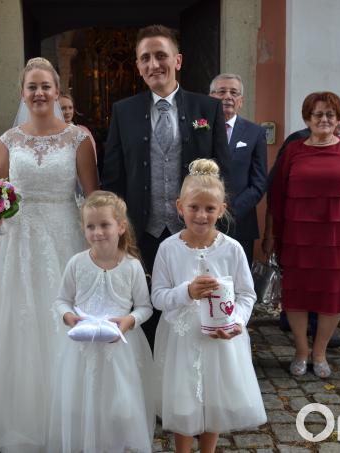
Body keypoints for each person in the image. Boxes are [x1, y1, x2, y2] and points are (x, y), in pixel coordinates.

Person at [0, 57, 98, 453]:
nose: (38, 93)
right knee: (10, 318)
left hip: (64, 234)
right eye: (31, 87)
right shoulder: (8, 140)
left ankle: (70, 410)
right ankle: (7, 413)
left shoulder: (78, 139)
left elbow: (92, 196)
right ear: (23, 92)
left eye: (45, 86)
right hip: (13, 240)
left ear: (57, 91)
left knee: (60, 314)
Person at [103, 24, 233, 350]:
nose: (153, 64)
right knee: (146, 309)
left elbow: (222, 172)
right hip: (142, 231)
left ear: (178, 60)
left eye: (161, 56)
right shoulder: (124, 111)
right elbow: (113, 178)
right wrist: (118, 231)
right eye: (145, 58)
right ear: (137, 66)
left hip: (194, 233)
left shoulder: (208, 109)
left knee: (194, 309)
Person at [151, 159, 266, 453]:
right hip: (181, 339)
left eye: (210, 208)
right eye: (194, 207)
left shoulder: (232, 249)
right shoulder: (168, 249)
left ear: (222, 209)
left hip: (220, 339)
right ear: (180, 206)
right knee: (184, 398)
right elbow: (158, 297)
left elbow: (246, 295)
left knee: (215, 396)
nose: (201, 215)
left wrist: (236, 322)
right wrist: (187, 291)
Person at [264, 92, 340, 378]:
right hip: (298, 238)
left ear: (339, 120)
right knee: (297, 296)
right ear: (307, 119)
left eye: (330, 114)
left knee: (332, 296)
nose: (324, 119)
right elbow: (276, 197)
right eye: (318, 114)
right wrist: (272, 235)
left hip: (338, 240)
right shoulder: (293, 151)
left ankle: (320, 353)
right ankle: (301, 351)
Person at [49, 190, 155, 452]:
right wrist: (68, 316)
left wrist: (129, 320)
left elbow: (145, 307)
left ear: (120, 226)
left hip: (121, 350)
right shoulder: (76, 263)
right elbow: (61, 300)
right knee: (83, 402)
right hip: (82, 349)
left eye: (105, 225)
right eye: (90, 226)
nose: (97, 232)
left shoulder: (131, 266)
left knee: (120, 405)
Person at [266, 119, 340, 348]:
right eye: (323, 114)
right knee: (301, 280)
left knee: (324, 281)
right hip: (300, 226)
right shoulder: (298, 141)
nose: (336, 121)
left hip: (328, 229)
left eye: (336, 115)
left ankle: (317, 333)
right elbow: (276, 184)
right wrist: (270, 233)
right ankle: (300, 328)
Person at [208, 73, 266, 267]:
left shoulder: (255, 132)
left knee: (238, 284)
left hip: (240, 223)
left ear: (241, 101)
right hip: (202, 220)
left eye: (234, 92)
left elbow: (259, 182)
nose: (228, 96)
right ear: (210, 97)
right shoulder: (199, 129)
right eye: (221, 91)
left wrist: (230, 211)